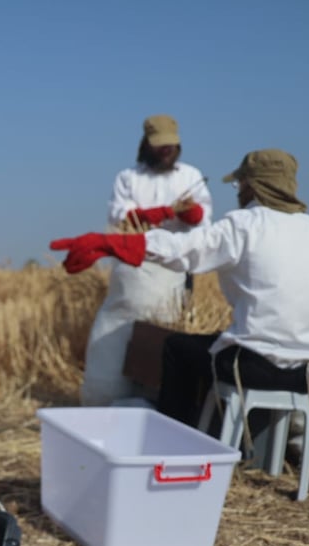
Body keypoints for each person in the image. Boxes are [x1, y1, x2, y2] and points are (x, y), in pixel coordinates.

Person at [51, 149, 309, 496]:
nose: (239, 191)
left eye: (240, 184)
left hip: (252, 368)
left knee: (176, 348)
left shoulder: (244, 225)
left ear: (253, 186)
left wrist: (112, 243)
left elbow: (186, 251)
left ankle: (170, 445)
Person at [79, 114, 213, 407]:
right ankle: (111, 397)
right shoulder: (129, 178)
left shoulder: (190, 176)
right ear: (146, 145)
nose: (165, 151)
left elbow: (203, 221)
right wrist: (164, 212)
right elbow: (122, 218)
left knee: (166, 336)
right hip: (135, 269)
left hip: (176, 271)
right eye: (159, 146)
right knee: (120, 332)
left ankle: (157, 400)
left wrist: (190, 213)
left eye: (170, 146)